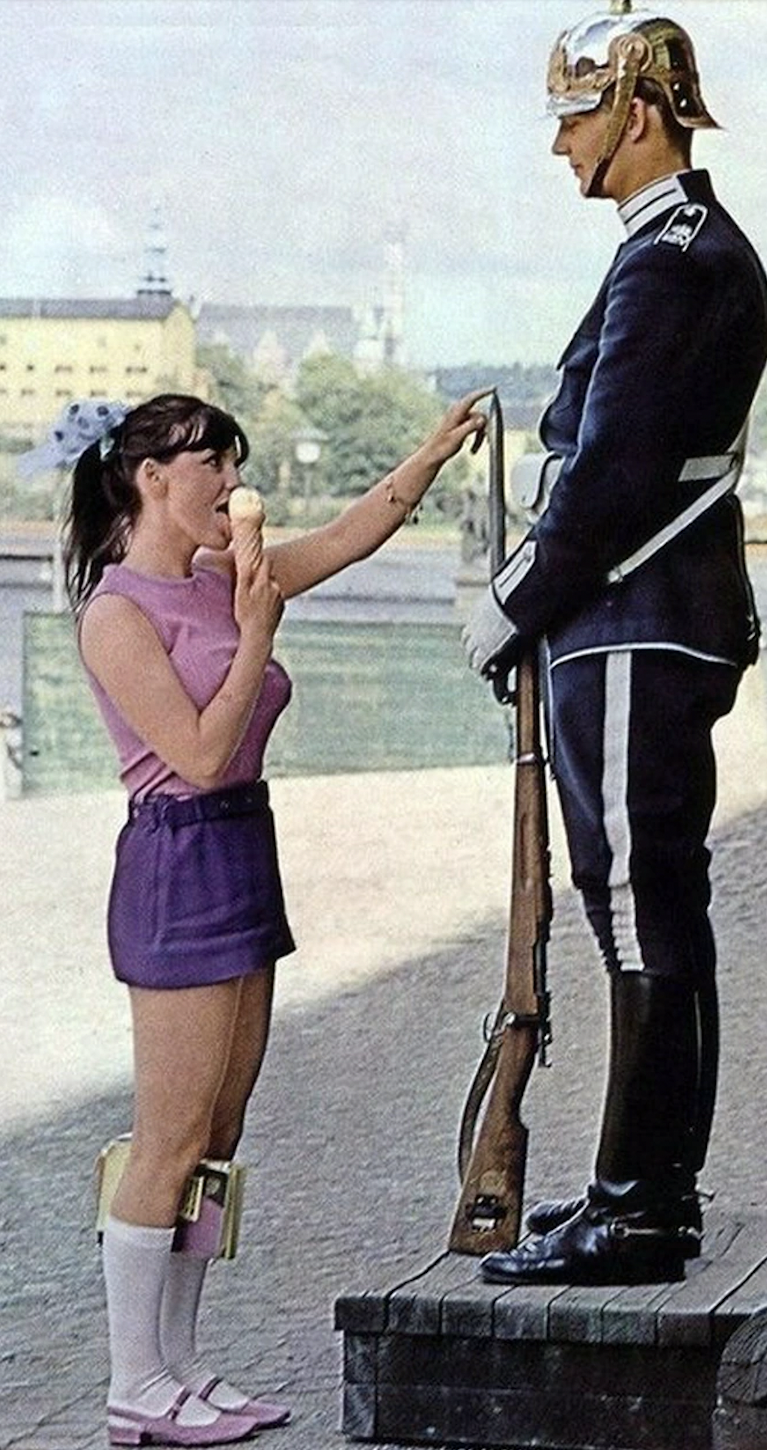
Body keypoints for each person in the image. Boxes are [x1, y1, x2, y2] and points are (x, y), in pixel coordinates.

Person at [21, 388, 486, 1447]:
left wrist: (432, 453)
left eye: (233, 465)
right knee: (168, 1136)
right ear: (151, 479)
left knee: (218, 1138)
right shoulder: (116, 613)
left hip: (243, 846)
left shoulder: (227, 574)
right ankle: (133, 1378)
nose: (230, 486)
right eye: (210, 467)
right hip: (177, 857)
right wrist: (257, 633)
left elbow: (350, 536)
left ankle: (180, 1362)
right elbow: (194, 751)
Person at [464, 0, 767, 1287]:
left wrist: (509, 601)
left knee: (643, 907)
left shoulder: (672, 258)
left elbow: (610, 476)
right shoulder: (682, 248)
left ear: (638, 112)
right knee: (646, 906)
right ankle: (642, 1195)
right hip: (638, 618)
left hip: (635, 617)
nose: (562, 146)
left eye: (577, 117)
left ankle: (639, 1209)